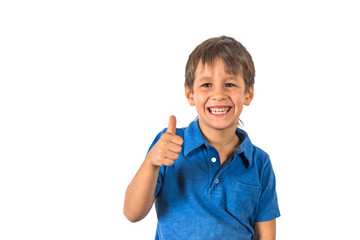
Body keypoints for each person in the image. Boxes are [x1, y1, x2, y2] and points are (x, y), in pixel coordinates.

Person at [124, 36, 280, 239]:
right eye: (207, 84)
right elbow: (132, 213)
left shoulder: (260, 162)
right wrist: (152, 163)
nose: (218, 94)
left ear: (248, 93)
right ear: (190, 94)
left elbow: (266, 235)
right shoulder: (168, 145)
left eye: (230, 84)